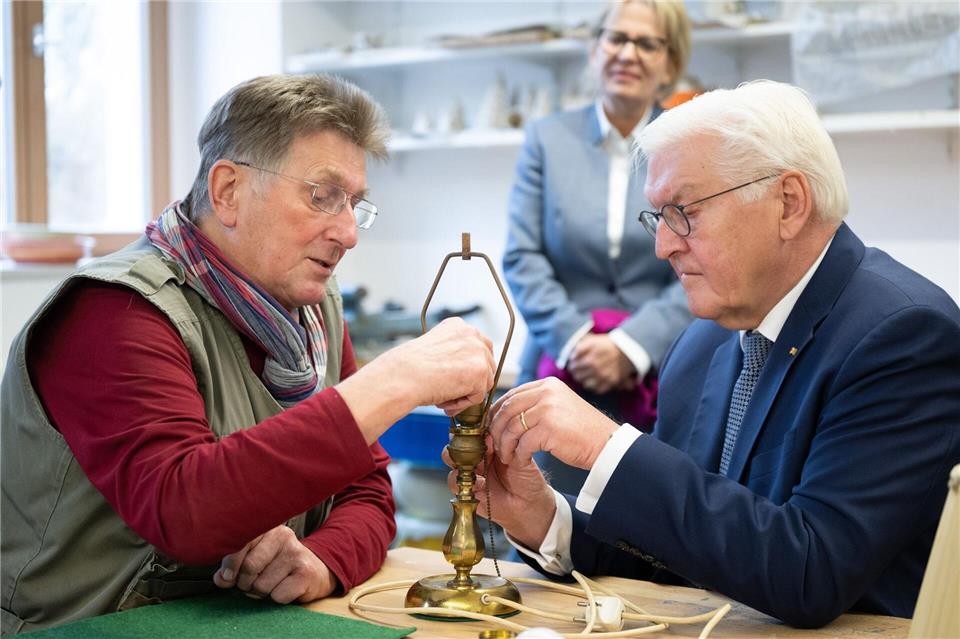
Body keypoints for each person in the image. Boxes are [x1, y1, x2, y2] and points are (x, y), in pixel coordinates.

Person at [0, 74, 496, 634]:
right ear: (228, 191)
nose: (349, 232)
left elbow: (368, 490)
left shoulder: (316, 311)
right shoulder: (114, 312)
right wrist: (394, 382)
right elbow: (183, 510)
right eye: (323, 195)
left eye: (355, 204)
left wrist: (322, 559)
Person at [473, 80, 960, 627]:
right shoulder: (701, 343)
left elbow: (812, 573)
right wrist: (544, 518)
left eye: (683, 211)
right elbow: (681, 548)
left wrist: (606, 447)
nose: (663, 245)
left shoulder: (903, 336)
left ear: (789, 203)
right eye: (657, 216)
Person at [503, 0, 693, 493]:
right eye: (616, 38)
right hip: (558, 373)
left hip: (662, 376)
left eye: (646, 43)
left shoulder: (690, 145)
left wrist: (631, 346)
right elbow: (522, 256)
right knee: (543, 520)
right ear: (594, 50)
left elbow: (700, 259)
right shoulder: (546, 139)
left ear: (670, 63)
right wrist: (577, 341)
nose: (627, 53)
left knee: (650, 521)